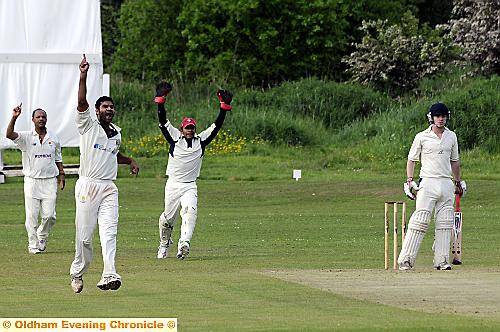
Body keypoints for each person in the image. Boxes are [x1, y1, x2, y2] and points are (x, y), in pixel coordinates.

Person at [69, 55, 139, 293]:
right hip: (88, 186)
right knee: (85, 237)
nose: (109, 109)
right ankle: (77, 273)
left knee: (109, 232)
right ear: (97, 111)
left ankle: (109, 273)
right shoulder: (88, 125)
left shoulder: (116, 133)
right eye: (105, 107)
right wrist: (83, 75)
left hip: (109, 186)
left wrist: (129, 160)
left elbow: (112, 155)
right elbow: (81, 101)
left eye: (112, 107)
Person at [154, 82, 232, 260]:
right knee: (167, 219)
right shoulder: (175, 138)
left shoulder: (201, 141)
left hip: (190, 185)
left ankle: (184, 244)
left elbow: (216, 126)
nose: (189, 130)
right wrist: (160, 102)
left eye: (192, 128)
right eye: (187, 128)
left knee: (190, 211)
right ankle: (164, 244)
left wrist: (223, 108)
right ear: (182, 129)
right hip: (173, 184)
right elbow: (163, 120)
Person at [399, 102, 466, 270]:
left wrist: (457, 182)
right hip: (427, 182)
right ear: (431, 117)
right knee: (420, 221)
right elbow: (411, 160)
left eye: (443, 116)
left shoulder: (452, 137)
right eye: (438, 116)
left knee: (445, 223)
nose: (441, 119)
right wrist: (409, 179)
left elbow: (455, 161)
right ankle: (405, 260)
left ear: (447, 117)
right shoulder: (421, 136)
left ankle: (442, 261)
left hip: (446, 183)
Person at [6, 104, 65, 254]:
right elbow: (9, 134)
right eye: (38, 117)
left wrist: (62, 174)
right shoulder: (26, 137)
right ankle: (33, 245)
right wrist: (14, 117)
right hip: (32, 181)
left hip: (50, 181)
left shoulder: (53, 137)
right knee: (32, 216)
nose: (41, 119)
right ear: (33, 119)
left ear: (46, 119)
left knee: (50, 215)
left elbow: (57, 156)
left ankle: (42, 236)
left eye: (43, 117)